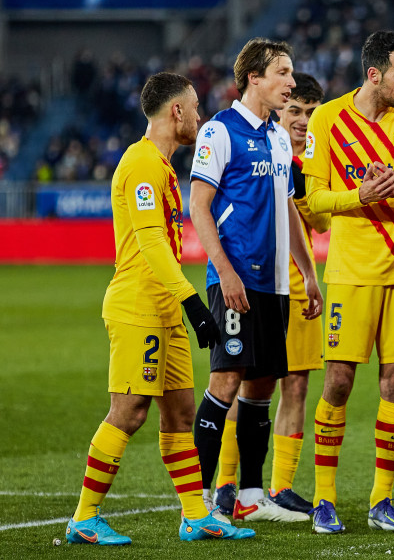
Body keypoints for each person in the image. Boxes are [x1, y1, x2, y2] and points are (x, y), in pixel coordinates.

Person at [65, 72, 253, 545]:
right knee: (129, 412)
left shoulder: (163, 167)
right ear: (176, 112)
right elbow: (150, 243)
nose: (199, 117)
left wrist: (181, 304)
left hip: (163, 306)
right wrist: (193, 302)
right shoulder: (142, 164)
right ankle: (84, 518)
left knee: (180, 413)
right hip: (138, 305)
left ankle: (195, 515)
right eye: (194, 109)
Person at [303, 30, 394, 534]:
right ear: (375, 74)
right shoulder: (328, 118)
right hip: (350, 271)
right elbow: (313, 200)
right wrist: (359, 196)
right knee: (337, 381)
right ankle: (324, 498)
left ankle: (382, 500)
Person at [190, 38, 323, 524]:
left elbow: (287, 205)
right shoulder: (220, 131)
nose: (291, 82)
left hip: (277, 287)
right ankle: (198, 502)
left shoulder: (280, 136)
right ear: (255, 78)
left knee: (262, 385)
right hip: (237, 279)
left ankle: (249, 495)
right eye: (283, 73)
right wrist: (224, 272)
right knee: (225, 380)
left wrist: (308, 273)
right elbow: (198, 206)